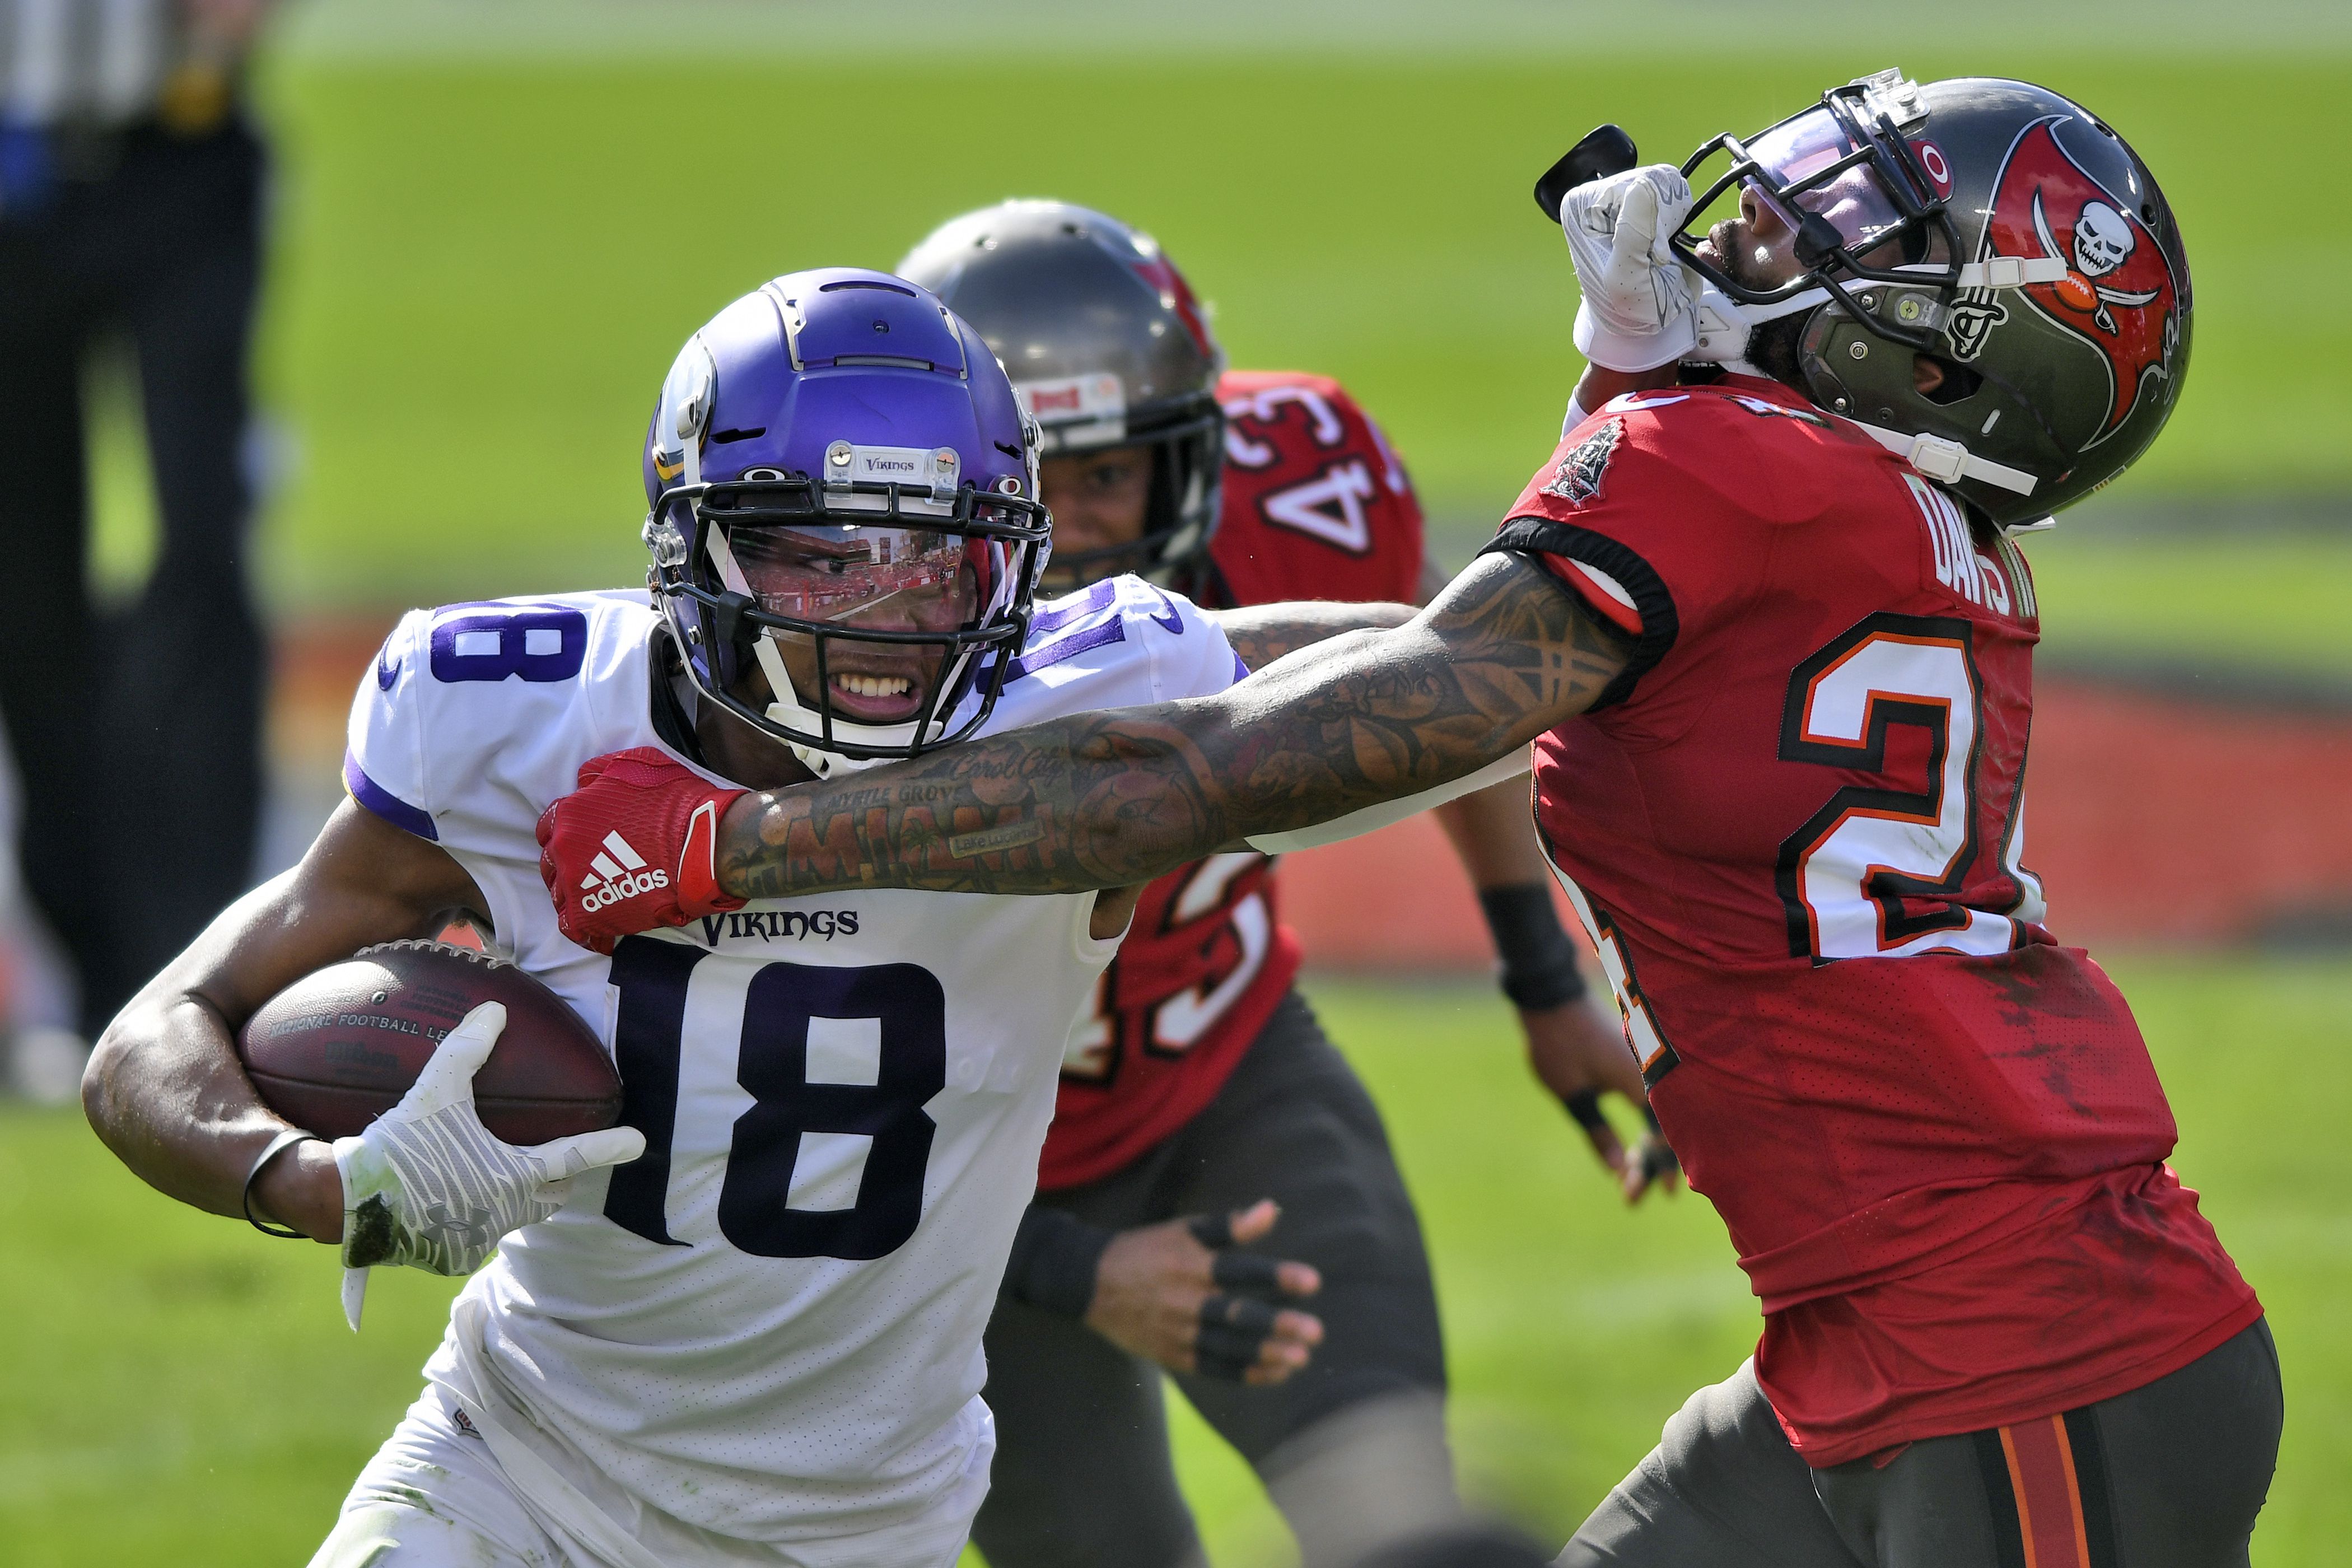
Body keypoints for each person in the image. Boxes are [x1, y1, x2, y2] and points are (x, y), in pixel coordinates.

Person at [539, 73, 2281, 1567]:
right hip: (1909, 1337)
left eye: (1857, 223)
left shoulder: (1735, 474)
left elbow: (1207, 773)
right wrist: (1622, 387)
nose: (1778, 225)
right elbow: (1580, 648)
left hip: (2025, 1358)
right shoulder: (1893, 527)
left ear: (1957, 347)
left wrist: (734, 845)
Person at [80, 268, 1383, 1568]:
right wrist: (315, 1182)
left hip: (863, 1529)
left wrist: (1590, 532)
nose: (886, 610)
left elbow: (1439, 674)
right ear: (688, 539)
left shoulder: (1088, 696)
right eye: (821, 555)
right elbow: (157, 1035)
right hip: (511, 1466)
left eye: (938, 554)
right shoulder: (510, 715)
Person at [892, 200, 1665, 1568]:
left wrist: (1546, 984)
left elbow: (1453, 709)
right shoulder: (852, 653)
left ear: (1192, 462)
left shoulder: (1302, 498)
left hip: (1227, 1082)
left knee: (1398, 1515)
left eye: (1107, 479)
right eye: (1025, 485)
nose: (1064, 533)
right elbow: (774, 1105)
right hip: (945, 1180)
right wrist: (1078, 1271)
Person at [0, 0, 278, 1043]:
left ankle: (199, 956)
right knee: (25, 586)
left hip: (178, 147)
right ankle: (93, 959)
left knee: (201, 545)